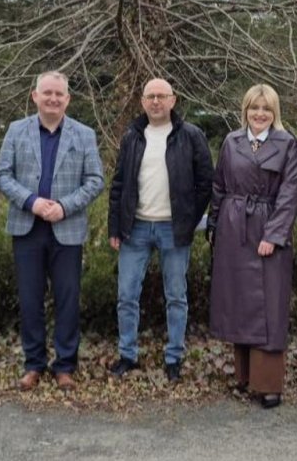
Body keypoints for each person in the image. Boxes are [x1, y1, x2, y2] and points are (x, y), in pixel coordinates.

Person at [0, 71, 105, 392]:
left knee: (67, 300)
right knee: (30, 299)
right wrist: (31, 201)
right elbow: (1, 174)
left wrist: (64, 206)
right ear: (35, 96)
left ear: (68, 98)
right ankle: (33, 364)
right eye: (47, 93)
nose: (53, 99)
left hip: (66, 229)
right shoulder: (17, 131)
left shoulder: (84, 134)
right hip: (27, 228)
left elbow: (95, 180)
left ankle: (65, 365)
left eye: (59, 94)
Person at [107, 78, 213, 382]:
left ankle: (174, 358)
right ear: (142, 101)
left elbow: (207, 182)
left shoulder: (191, 135)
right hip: (135, 227)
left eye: (161, 96)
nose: (156, 101)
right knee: (127, 295)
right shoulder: (132, 136)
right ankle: (127, 355)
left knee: (176, 296)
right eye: (150, 96)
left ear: (173, 99)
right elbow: (118, 184)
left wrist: (190, 219)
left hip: (174, 228)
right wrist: (115, 225)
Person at [206, 84, 297, 409]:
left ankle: (268, 384)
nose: (259, 114)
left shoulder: (287, 143)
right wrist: (214, 227)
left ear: (275, 113)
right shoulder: (232, 142)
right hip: (233, 229)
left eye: (266, 109)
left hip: (267, 225)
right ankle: (244, 377)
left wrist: (274, 235)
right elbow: (219, 186)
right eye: (254, 108)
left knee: (269, 306)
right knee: (238, 303)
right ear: (245, 110)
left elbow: (291, 193)